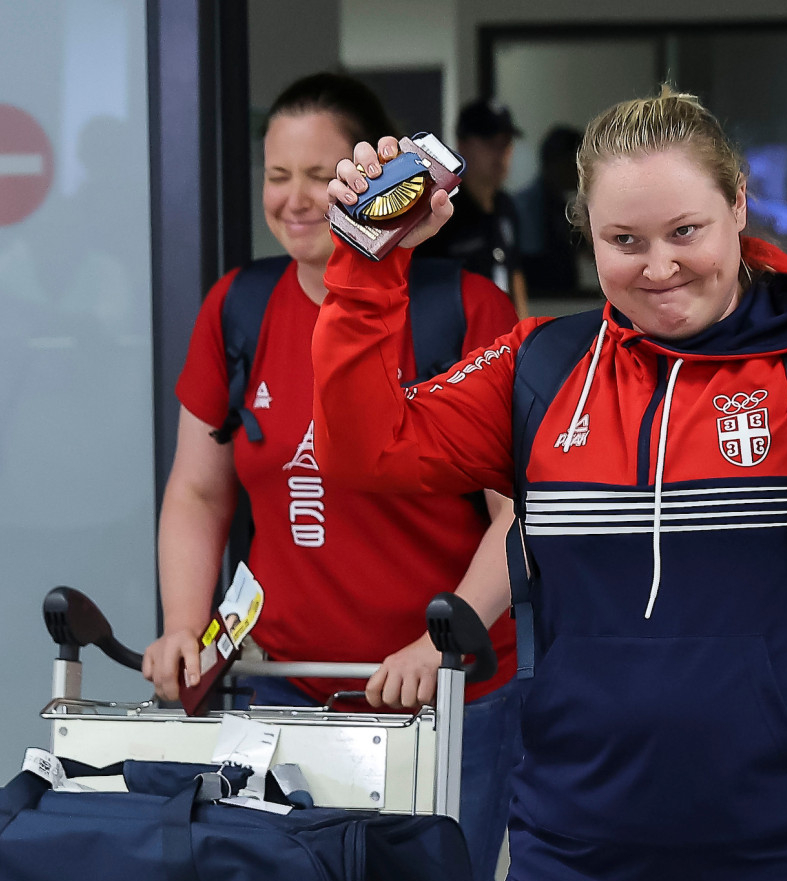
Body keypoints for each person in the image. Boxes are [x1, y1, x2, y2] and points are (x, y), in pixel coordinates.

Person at [315, 36, 787, 880]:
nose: (659, 266)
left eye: (685, 230)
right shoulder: (543, 368)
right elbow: (364, 451)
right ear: (587, 235)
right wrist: (366, 264)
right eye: (623, 239)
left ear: (738, 205)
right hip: (578, 846)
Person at [137, 72, 522, 881]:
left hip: (450, 696)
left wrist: (441, 640)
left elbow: (518, 513)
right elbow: (199, 491)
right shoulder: (237, 307)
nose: (296, 198)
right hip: (282, 686)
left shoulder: (465, 309)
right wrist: (184, 624)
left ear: (373, 178)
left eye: (320, 175)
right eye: (278, 175)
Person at [415, 98, 529, 316]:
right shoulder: (441, 207)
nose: (500, 154)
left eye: (506, 144)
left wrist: (523, 332)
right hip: (455, 332)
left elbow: (514, 272)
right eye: (490, 143)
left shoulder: (506, 206)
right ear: (463, 144)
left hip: (502, 332)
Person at [514, 124, 585, 298]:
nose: (580, 172)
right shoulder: (527, 204)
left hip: (562, 298)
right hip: (540, 298)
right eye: (576, 164)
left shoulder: (564, 204)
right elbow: (531, 260)